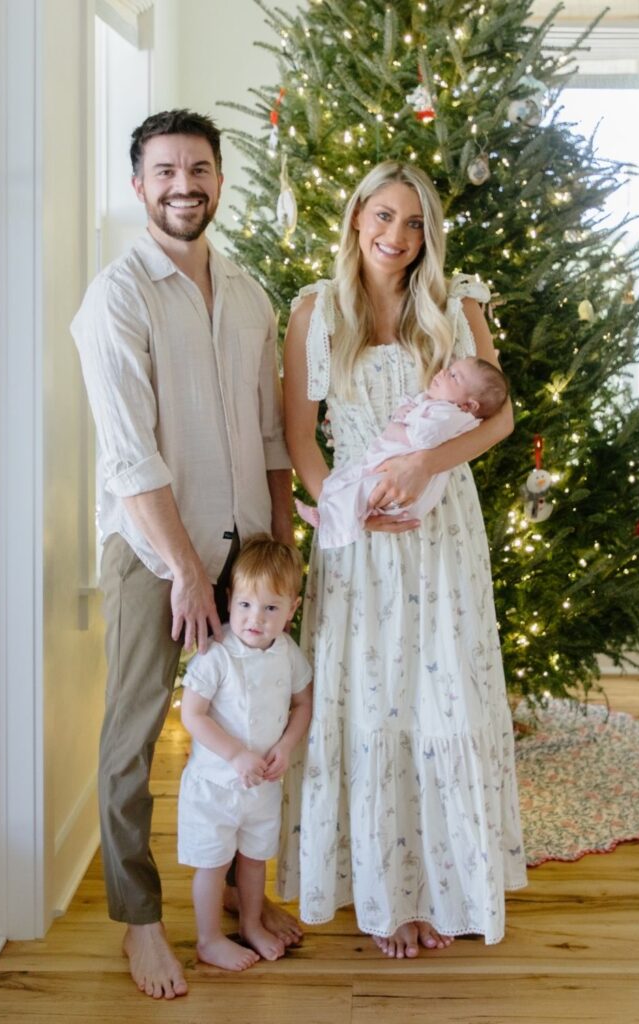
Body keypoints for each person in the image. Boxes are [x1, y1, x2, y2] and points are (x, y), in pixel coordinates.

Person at [71, 109, 300, 1000]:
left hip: (250, 566)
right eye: (164, 171)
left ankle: (248, 903)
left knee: (256, 731)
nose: (183, 185)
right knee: (131, 741)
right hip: (154, 557)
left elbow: (270, 439)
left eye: (197, 169)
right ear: (139, 185)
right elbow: (131, 457)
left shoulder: (247, 292)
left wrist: (282, 554)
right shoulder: (116, 297)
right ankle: (139, 924)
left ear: (217, 178)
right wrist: (184, 573)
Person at [278, 160, 527, 958]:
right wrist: (343, 509)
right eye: (383, 217)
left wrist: (425, 467)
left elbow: (497, 423)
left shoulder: (455, 306)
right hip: (357, 543)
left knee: (440, 701)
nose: (397, 236)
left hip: (440, 531)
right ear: (356, 219)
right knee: (374, 704)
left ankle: (443, 887)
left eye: (414, 223)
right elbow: (296, 437)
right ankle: (383, 896)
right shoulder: (315, 313)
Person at [178, 534, 313, 971]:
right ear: (231, 601)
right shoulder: (217, 656)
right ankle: (209, 938)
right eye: (246, 606)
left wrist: (287, 745)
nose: (256, 619)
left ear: (291, 611)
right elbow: (193, 715)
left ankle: (252, 924)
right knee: (213, 866)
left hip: (263, 786)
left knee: (255, 861)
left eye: (271, 608)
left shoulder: (288, 655)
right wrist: (235, 755)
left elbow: (302, 703)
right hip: (216, 787)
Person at [295, 356, 509, 549]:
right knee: (351, 483)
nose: (443, 372)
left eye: (454, 376)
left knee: (365, 489)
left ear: (469, 405)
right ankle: (330, 510)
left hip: (416, 491)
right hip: (383, 469)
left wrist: (414, 452)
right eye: (449, 368)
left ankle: (331, 517)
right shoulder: (441, 405)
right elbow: (300, 436)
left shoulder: (449, 414)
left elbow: (421, 436)